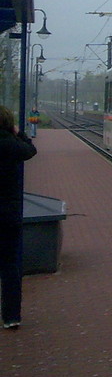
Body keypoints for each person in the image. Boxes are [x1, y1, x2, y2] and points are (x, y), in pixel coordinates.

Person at [0, 105, 37, 330]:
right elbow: (30, 151)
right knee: (11, 264)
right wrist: (19, 133)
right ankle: (11, 316)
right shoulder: (11, 144)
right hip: (8, 212)